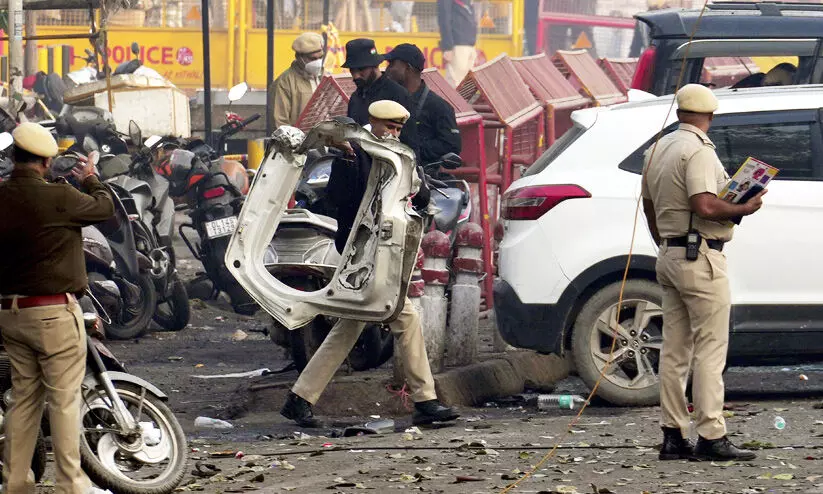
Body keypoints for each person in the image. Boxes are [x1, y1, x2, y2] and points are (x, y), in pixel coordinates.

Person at [280, 100, 458, 428]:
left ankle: (300, 398)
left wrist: (418, 185)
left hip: (381, 254)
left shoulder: (398, 157)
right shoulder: (354, 154)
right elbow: (338, 197)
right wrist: (348, 159)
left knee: (352, 325)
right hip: (360, 255)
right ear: (371, 124)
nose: (392, 132)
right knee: (404, 317)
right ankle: (425, 400)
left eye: (397, 128)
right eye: (387, 126)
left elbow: (417, 197)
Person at [641, 84, 766, 462]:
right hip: (701, 257)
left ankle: (674, 435)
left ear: (681, 111)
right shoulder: (697, 150)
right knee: (710, 350)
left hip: (670, 255)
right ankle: (712, 434)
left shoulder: (656, 149)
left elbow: (649, 208)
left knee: (675, 350)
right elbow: (706, 205)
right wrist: (746, 207)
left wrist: (667, 242)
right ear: (710, 116)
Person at [0, 122, 114, 493]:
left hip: (11, 314)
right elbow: (105, 208)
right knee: (64, 401)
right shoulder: (58, 197)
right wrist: (92, 178)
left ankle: (15, 484)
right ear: (46, 162)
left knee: (23, 401)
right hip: (53, 315)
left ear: (14, 157)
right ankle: (71, 484)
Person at [384, 43, 462, 166]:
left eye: (392, 64)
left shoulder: (439, 107)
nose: (387, 70)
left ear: (407, 68)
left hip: (423, 176)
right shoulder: (387, 100)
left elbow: (451, 145)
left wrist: (411, 149)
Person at [343, 38, 420, 159]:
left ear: (374, 66)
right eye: (352, 70)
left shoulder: (397, 94)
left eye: (361, 69)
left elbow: (410, 144)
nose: (356, 75)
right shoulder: (355, 98)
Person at [272, 32, 326, 129]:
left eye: (320, 57)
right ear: (299, 58)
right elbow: (280, 122)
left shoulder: (323, 77)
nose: (317, 62)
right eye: (312, 59)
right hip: (299, 141)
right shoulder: (285, 82)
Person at [437, 0, 478, 87]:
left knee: (467, 87)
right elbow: (444, 20)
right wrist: (448, 47)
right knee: (454, 85)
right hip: (457, 46)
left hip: (469, 45)